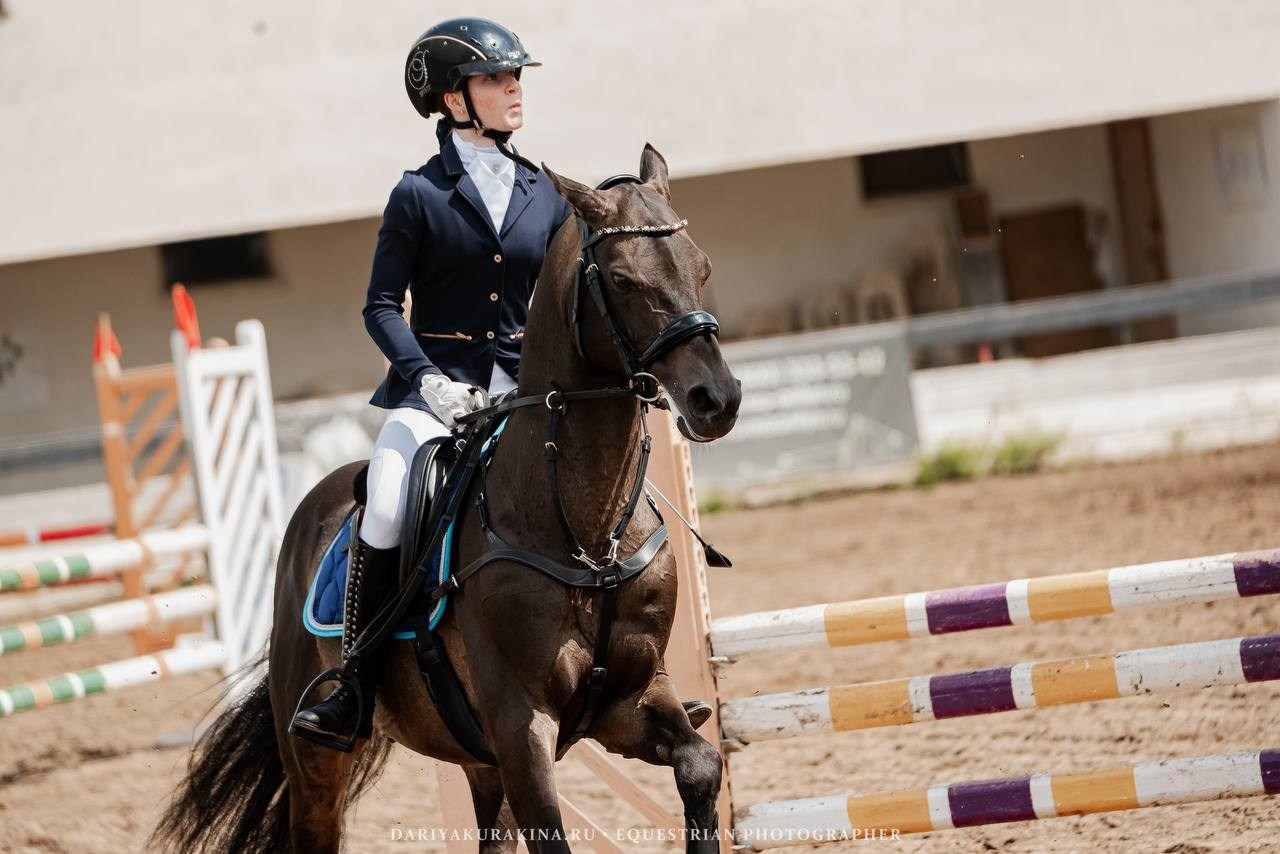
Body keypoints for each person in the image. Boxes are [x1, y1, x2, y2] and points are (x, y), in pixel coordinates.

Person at [290, 17, 711, 751]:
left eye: (515, 76)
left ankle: (633, 677)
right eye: (495, 78)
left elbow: (572, 295)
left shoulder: (542, 192)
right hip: (436, 398)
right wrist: (428, 382)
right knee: (385, 503)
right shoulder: (419, 194)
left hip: (528, 395)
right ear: (453, 99)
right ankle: (353, 682)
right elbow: (380, 306)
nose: (514, 88)